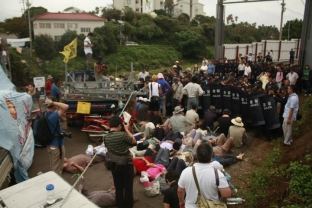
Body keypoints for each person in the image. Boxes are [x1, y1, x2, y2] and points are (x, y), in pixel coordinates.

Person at [177, 143, 231, 208]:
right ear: (211, 156)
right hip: (211, 205)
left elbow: (180, 191)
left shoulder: (186, 172)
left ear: (196, 155)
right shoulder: (217, 173)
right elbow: (227, 194)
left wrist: (181, 201)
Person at [104, 116, 137, 208]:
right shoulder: (122, 135)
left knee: (118, 188)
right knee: (128, 188)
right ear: (119, 125)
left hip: (114, 165)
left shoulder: (105, 137)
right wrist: (126, 129)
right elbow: (134, 141)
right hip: (126, 165)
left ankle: (120, 205)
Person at [45, 96, 69, 175]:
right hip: (55, 145)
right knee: (55, 168)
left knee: (58, 165)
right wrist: (53, 102)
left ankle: (58, 179)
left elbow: (63, 119)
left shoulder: (48, 114)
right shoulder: (52, 116)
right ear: (54, 105)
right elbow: (66, 106)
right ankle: (55, 183)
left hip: (56, 144)